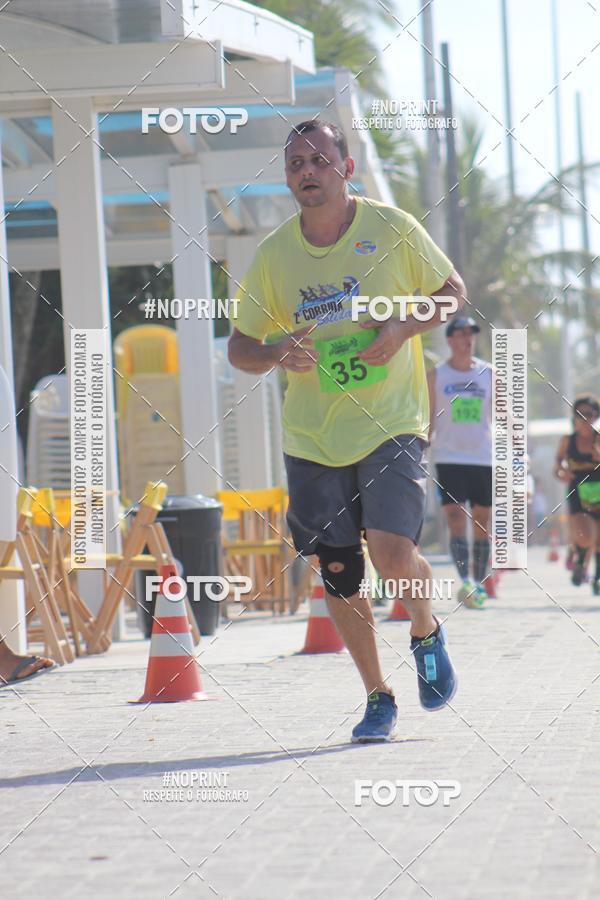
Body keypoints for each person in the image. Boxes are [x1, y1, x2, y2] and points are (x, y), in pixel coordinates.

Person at [228, 119, 466, 742]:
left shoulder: (390, 228)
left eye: (318, 159)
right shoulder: (275, 254)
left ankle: (425, 629)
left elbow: (451, 293)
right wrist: (278, 352)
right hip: (311, 436)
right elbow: (240, 347)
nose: (306, 170)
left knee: (390, 549)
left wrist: (403, 331)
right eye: (294, 163)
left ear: (346, 167)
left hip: (392, 421)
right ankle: (377, 696)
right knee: (338, 570)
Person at [427, 318, 493, 609]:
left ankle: (478, 582)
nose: (468, 339)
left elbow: (503, 418)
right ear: (450, 340)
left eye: (471, 334)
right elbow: (428, 418)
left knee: (482, 521)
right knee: (455, 516)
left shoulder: (489, 374)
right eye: (461, 334)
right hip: (448, 456)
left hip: (482, 456)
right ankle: (465, 578)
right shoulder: (436, 376)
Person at [554, 395, 600, 594]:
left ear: (596, 416)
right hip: (577, 489)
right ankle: (581, 559)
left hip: (598, 487)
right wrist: (562, 473)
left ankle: (597, 578)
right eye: (580, 414)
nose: (585, 418)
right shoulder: (567, 440)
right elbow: (557, 466)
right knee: (584, 535)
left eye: (589, 414)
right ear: (574, 417)